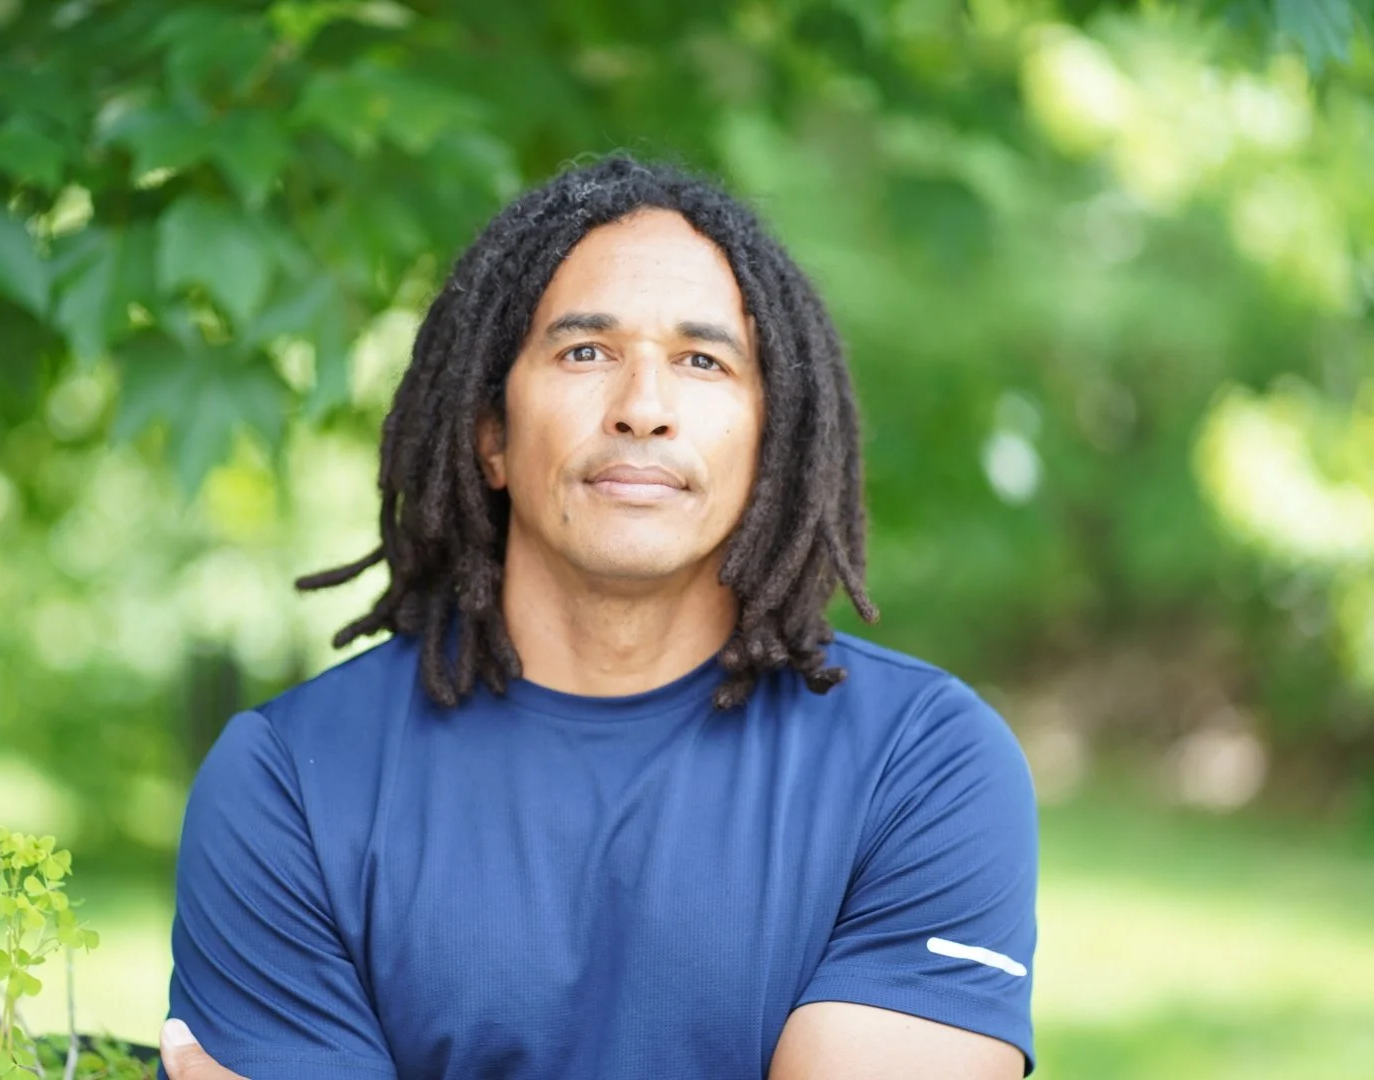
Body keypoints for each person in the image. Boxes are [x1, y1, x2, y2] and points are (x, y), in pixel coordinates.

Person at [155, 155, 1039, 1079]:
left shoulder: (924, 765)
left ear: (771, 440)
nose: (643, 409)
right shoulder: (290, 782)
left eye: (702, 361)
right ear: (492, 435)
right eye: (586, 352)